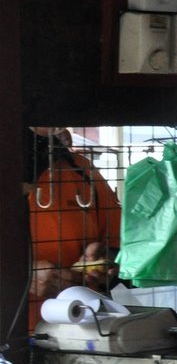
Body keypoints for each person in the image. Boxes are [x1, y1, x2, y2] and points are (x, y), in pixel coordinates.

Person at [26, 127, 121, 329]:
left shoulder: (81, 169)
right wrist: (23, 275)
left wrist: (104, 260)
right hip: (12, 334)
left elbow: (118, 245)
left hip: (81, 330)